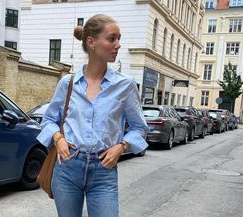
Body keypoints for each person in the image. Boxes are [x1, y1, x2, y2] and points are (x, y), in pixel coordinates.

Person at [37, 14, 148, 217]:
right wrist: (58, 139)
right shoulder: (67, 83)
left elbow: (139, 128)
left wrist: (121, 147)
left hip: (103, 171)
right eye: (112, 38)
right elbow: (49, 120)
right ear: (91, 42)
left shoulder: (125, 85)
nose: (118, 45)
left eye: (119, 38)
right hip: (68, 166)